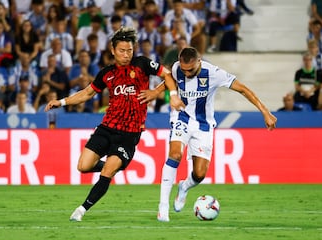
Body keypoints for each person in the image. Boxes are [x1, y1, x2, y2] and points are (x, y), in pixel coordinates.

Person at [44, 27, 177, 222]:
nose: (126, 54)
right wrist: (62, 102)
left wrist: (155, 92)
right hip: (107, 128)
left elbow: (169, 75)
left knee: (107, 172)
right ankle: (115, 165)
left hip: (129, 134)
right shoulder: (107, 73)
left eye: (129, 50)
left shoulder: (142, 64)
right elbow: (87, 94)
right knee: (83, 166)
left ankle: (81, 210)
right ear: (113, 50)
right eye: (122, 51)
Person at [154, 47, 277, 222]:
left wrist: (265, 111)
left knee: (199, 174)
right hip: (181, 117)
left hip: (204, 125)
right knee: (174, 154)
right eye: (183, 69)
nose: (186, 73)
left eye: (190, 69)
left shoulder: (213, 73)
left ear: (199, 61)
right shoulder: (176, 68)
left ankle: (184, 187)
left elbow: (243, 89)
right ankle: (163, 207)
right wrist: (155, 92)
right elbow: (169, 80)